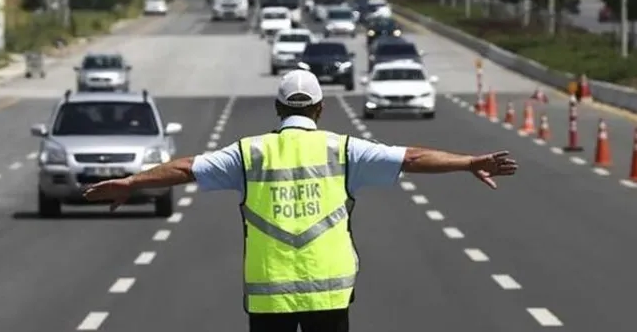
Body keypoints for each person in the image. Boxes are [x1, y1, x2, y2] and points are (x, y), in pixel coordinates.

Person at [82, 69, 518, 332]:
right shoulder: (343, 150)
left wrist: (131, 182)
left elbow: (184, 168)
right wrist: (467, 162)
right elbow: (412, 158)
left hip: (268, 294)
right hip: (330, 292)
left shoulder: (248, 153)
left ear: (277, 108)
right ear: (320, 109)